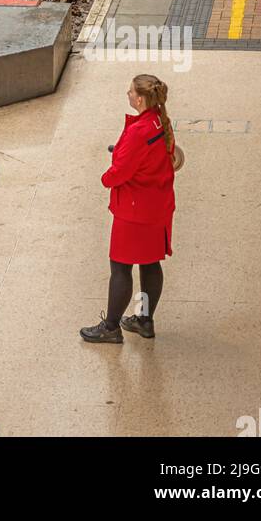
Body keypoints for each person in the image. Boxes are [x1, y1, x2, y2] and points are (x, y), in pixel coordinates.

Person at [80, 74, 181, 343]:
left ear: (139, 98)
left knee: (121, 267)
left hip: (134, 211)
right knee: (150, 263)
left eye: (130, 92)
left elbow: (120, 172)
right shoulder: (161, 121)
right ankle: (144, 321)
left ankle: (111, 327)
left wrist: (105, 178)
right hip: (157, 205)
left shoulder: (139, 131)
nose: (127, 94)